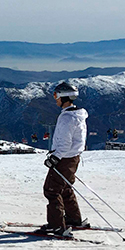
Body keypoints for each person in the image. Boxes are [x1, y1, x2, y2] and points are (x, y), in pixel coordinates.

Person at [40, 82, 88, 237]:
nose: (55, 99)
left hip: (64, 158)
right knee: (65, 188)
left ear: (63, 97)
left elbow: (65, 143)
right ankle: (74, 219)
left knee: (52, 190)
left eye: (56, 96)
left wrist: (55, 158)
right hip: (73, 158)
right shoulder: (78, 115)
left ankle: (56, 226)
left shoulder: (67, 118)